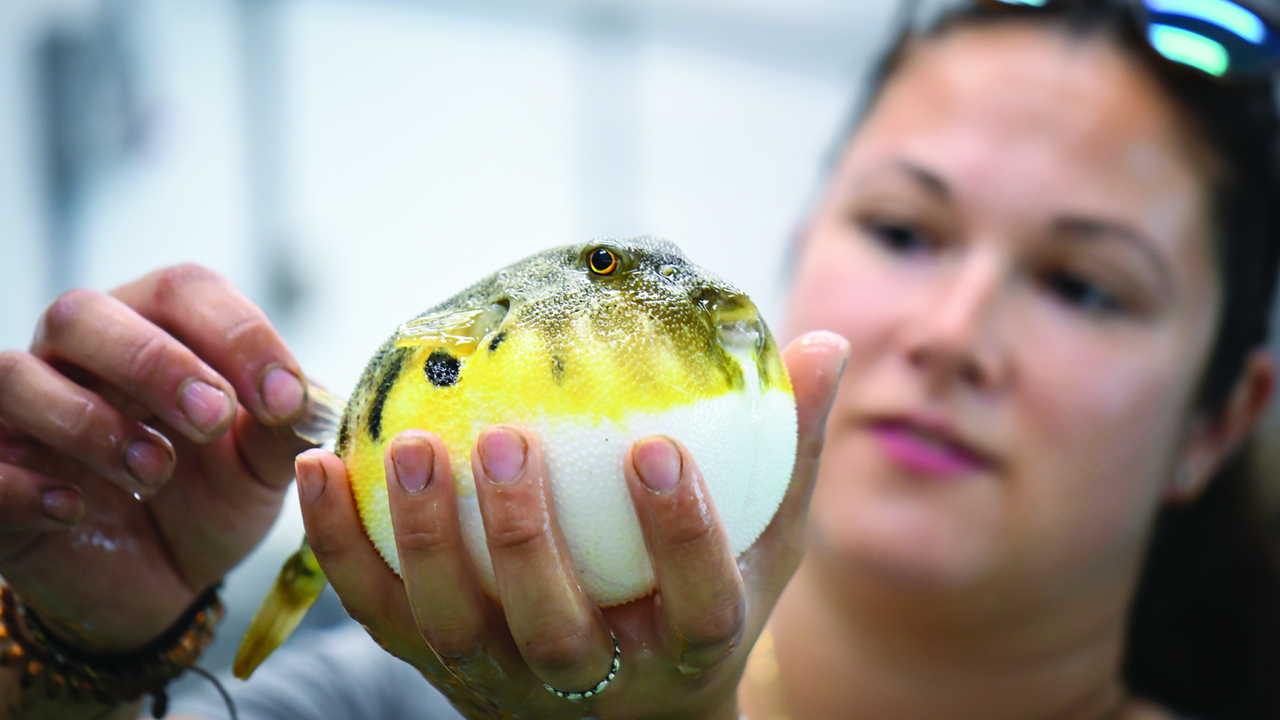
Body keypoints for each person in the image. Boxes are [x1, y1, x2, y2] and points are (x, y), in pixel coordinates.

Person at [2, 0, 1279, 718]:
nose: (950, 332)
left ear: (1220, 420)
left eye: (1082, 285)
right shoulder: (408, 688)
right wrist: (72, 652)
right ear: (797, 253)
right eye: (899, 229)